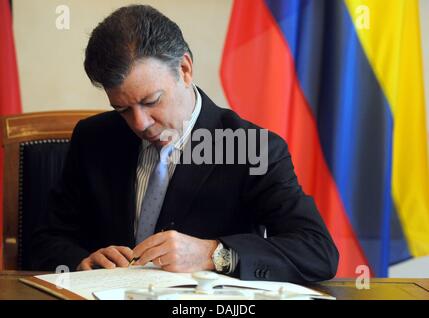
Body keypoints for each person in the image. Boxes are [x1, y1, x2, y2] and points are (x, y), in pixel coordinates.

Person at [30, 5, 338, 283]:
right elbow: (46, 240)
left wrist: (215, 254)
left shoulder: (250, 147)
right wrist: (81, 261)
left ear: (185, 70)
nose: (140, 123)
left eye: (151, 101)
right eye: (122, 109)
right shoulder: (93, 138)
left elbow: (317, 251)